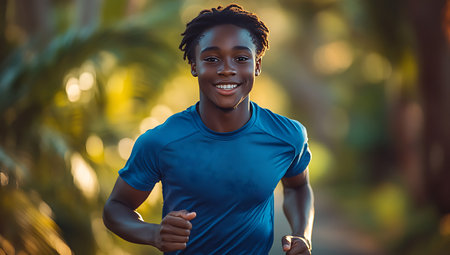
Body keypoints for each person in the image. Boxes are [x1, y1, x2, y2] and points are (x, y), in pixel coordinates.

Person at [103, 4, 314, 255]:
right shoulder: (161, 142)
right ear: (194, 65)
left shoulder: (287, 136)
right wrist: (153, 233)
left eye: (241, 58)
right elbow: (116, 207)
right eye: (212, 59)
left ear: (257, 65)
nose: (227, 69)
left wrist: (303, 235)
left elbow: (297, 186)